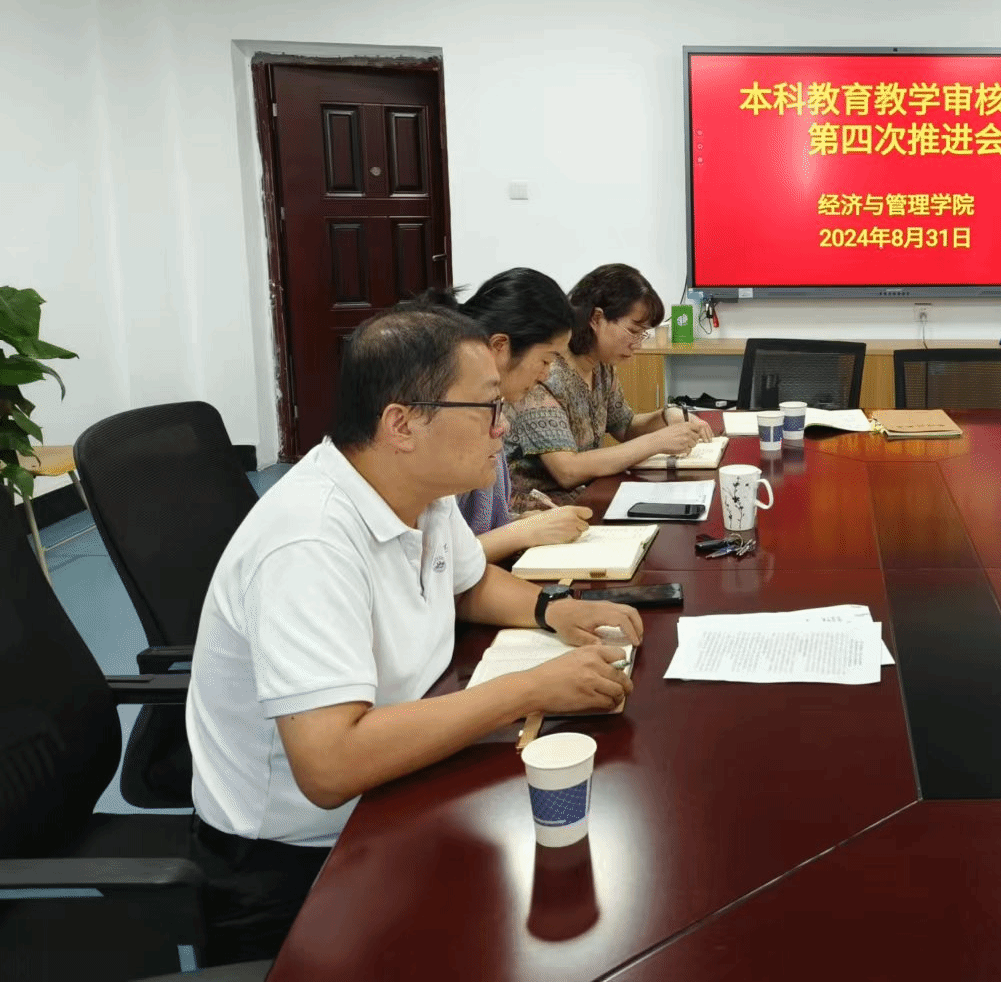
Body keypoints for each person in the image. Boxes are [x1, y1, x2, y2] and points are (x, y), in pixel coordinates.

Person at [185, 304, 642, 964]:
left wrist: (554, 610)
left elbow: (468, 582)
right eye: (486, 407)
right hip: (298, 866)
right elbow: (330, 764)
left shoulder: (420, 490)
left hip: (397, 790)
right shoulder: (308, 542)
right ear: (401, 423)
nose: (504, 425)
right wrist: (528, 688)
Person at [423, 268, 594, 561]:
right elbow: (439, 562)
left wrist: (520, 522)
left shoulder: (490, 409)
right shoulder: (449, 417)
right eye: (545, 360)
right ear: (500, 347)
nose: (546, 374)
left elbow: (468, 535)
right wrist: (523, 531)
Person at [508, 263, 712, 501]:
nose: (638, 344)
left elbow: (625, 426)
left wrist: (667, 416)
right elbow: (567, 470)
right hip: (537, 510)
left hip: (583, 495)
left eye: (643, 334)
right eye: (633, 331)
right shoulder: (544, 373)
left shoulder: (602, 366)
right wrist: (657, 441)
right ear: (596, 318)